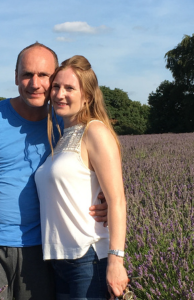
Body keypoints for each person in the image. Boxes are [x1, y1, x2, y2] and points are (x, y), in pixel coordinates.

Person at [0, 43, 107, 300]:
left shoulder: (63, 122)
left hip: (42, 247)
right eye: (27, 74)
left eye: (44, 75)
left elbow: (91, 166)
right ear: (15, 77)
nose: (34, 83)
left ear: (54, 80)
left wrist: (105, 200)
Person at [35, 55, 129, 299]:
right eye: (56, 86)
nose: (59, 94)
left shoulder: (95, 131)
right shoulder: (63, 135)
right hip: (60, 260)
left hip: (88, 259)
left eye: (69, 88)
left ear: (87, 96)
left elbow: (117, 200)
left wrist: (116, 261)